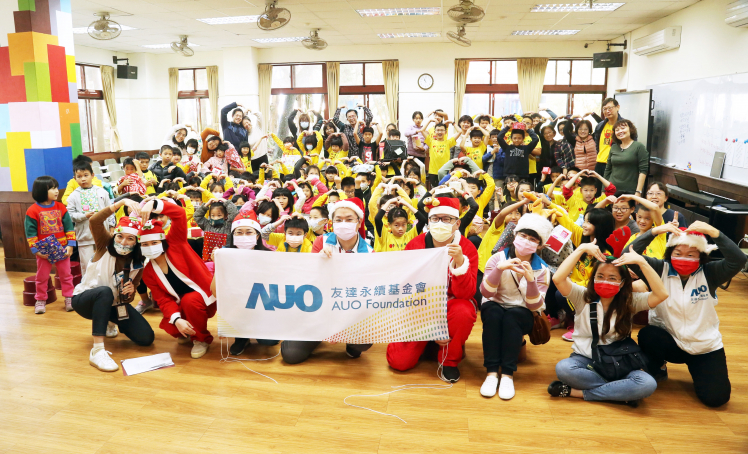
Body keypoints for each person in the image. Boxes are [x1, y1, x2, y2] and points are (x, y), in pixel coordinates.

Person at [629, 221, 746, 407]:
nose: (684, 258)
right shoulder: (659, 269)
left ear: (701, 255)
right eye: (678, 253)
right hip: (670, 340)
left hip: (704, 346)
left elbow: (739, 260)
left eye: (691, 254)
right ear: (670, 253)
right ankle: (658, 367)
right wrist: (655, 231)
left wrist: (714, 232)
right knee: (647, 335)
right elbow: (629, 254)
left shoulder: (710, 272)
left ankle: (699, 369)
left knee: (717, 399)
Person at [548, 232, 668, 404]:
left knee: (647, 384)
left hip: (619, 360)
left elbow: (661, 294)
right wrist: (581, 249)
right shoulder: (583, 296)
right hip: (585, 359)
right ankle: (621, 392)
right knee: (564, 369)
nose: (606, 281)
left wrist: (642, 262)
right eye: (600, 276)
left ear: (622, 283)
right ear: (593, 278)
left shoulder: (630, 301)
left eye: (612, 278)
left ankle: (579, 393)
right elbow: (558, 279)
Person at [386, 196, 479, 383]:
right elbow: (406, 288)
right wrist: (431, 327)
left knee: (464, 311)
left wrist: (460, 262)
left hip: (451, 306)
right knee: (399, 362)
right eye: (435, 218)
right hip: (420, 308)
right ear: (428, 221)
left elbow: (465, 294)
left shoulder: (467, 247)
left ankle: (449, 361)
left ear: (457, 223)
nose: (440, 223)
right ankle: (427, 342)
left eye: (447, 219)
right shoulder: (415, 245)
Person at [281, 198, 373, 364]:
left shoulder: (368, 253)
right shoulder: (321, 242)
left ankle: (351, 344)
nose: (343, 224)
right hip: (319, 307)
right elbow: (310, 282)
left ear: (359, 223)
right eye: (338, 220)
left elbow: (365, 294)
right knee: (291, 354)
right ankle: (317, 335)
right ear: (332, 222)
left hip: (349, 310)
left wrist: (340, 324)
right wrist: (319, 263)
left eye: (349, 219)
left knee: (363, 341)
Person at [71, 206, 154, 372]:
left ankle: (109, 320)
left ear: (136, 242)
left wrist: (130, 292)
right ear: (115, 235)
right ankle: (97, 350)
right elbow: (95, 221)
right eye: (120, 236)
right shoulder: (104, 245)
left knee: (146, 338)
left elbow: (128, 299)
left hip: (114, 305)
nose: (123, 242)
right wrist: (120, 202)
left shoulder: (138, 264)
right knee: (105, 292)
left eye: (130, 239)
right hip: (85, 301)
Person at [479, 213, 552, 400]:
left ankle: (507, 375)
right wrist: (499, 269)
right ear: (515, 235)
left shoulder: (542, 269)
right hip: (495, 304)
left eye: (532, 239)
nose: (526, 241)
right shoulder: (497, 259)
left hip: (522, 311)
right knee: (493, 314)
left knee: (513, 317)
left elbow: (535, 306)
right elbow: (486, 293)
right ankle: (491, 372)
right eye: (523, 236)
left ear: (539, 245)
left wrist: (531, 280)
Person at [139, 199, 217, 359]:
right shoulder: (148, 272)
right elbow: (163, 300)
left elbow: (179, 214)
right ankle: (188, 329)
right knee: (173, 325)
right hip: (180, 301)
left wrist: (154, 203)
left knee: (190, 301)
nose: (150, 247)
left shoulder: (176, 243)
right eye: (145, 244)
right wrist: (176, 319)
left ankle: (201, 339)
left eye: (154, 242)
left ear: (162, 241)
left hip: (202, 294)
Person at [219, 211, 278, 356]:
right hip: (237, 304)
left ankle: (264, 327)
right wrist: (219, 265)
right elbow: (216, 292)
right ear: (233, 235)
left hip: (262, 303)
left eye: (249, 232)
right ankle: (241, 338)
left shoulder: (268, 256)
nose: (244, 236)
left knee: (269, 341)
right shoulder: (225, 255)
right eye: (239, 232)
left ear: (257, 235)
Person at [25, 176, 76, 314]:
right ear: (42, 190)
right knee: (42, 277)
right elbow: (30, 233)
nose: (56, 191)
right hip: (44, 251)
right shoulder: (32, 210)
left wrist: (70, 245)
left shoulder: (61, 207)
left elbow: (69, 227)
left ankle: (69, 297)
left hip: (62, 248)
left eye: (56, 187)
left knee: (66, 275)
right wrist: (36, 250)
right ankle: (40, 299)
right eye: (52, 188)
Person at [66, 157, 115, 274]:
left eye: (86, 175)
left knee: (105, 264)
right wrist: (84, 216)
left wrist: (112, 228)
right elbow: (70, 215)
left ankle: (105, 284)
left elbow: (110, 211)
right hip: (84, 237)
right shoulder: (73, 196)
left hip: (103, 235)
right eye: (79, 176)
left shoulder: (102, 192)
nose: (83, 179)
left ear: (92, 175)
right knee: (87, 265)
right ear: (75, 178)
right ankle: (88, 285)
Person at [593, 98, 637, 179]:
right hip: (600, 163)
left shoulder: (625, 126)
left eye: (610, 108)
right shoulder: (600, 126)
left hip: (616, 165)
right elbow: (597, 145)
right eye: (604, 109)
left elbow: (633, 146)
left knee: (613, 187)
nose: (607, 111)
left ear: (618, 107)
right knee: (598, 187)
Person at [604, 120, 648, 195]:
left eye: (623, 128)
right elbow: (608, 170)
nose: (620, 131)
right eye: (617, 130)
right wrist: (603, 190)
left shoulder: (639, 147)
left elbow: (643, 171)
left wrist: (638, 191)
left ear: (630, 129)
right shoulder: (613, 147)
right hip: (612, 191)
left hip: (630, 191)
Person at [420, 120, 457, 188]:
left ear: (445, 132)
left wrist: (453, 122)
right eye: (438, 130)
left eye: (442, 130)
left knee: (444, 189)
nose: (440, 132)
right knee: (435, 189)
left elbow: (460, 132)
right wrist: (430, 121)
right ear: (434, 132)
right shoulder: (431, 141)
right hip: (433, 172)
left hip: (444, 171)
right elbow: (422, 130)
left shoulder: (448, 142)